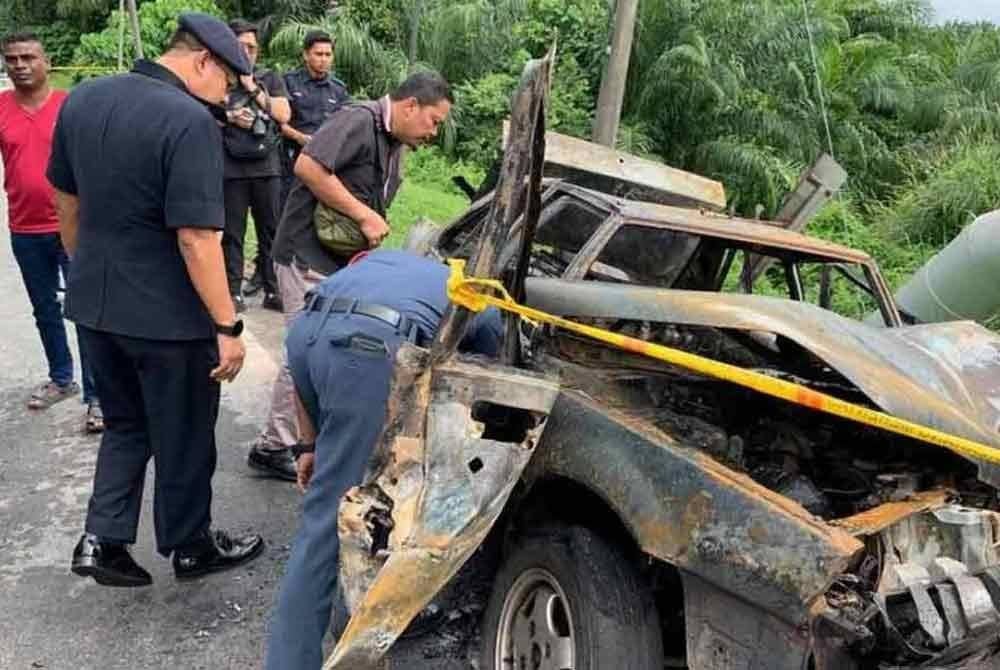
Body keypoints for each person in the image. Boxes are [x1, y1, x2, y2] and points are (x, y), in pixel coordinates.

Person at [47, 13, 264, 587]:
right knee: (186, 431)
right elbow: (197, 236)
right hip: (169, 320)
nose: (228, 97)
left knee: (125, 423)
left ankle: (102, 540)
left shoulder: (83, 99)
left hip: (94, 306)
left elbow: (65, 201)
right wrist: (228, 326)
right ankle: (190, 546)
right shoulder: (189, 120)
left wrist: (88, 269)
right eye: (229, 81)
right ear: (203, 63)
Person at [264, 250, 501, 670]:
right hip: (368, 347)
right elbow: (491, 376)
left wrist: (309, 446)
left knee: (334, 497)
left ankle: (340, 620)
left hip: (309, 334)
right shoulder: (474, 290)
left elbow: (304, 367)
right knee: (328, 521)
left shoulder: (380, 264)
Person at [247, 71, 452, 482]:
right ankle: (275, 445)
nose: (434, 132)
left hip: (336, 262)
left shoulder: (392, 142)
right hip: (307, 255)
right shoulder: (358, 120)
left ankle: (311, 441)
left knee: (321, 346)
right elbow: (308, 166)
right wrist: (364, 215)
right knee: (305, 348)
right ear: (411, 106)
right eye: (434, 121)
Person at [0, 32, 102, 432]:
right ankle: (61, 377)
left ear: (46, 61)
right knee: (44, 309)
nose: (20, 65)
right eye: (12, 59)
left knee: (87, 312)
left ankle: (98, 397)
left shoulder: (70, 105)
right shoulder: (2, 108)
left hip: (74, 226)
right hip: (24, 227)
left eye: (28, 57)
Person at [222, 19, 291, 314]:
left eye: (251, 47)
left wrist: (253, 90)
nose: (246, 52)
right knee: (232, 232)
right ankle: (233, 292)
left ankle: (273, 290)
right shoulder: (219, 76)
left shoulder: (269, 78)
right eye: (240, 47)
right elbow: (199, 111)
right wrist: (229, 115)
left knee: (271, 231)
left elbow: (284, 114)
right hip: (230, 167)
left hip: (266, 166)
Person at [269, 29, 349, 220]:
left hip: (323, 164)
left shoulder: (338, 89)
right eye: (318, 54)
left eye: (328, 55)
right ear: (306, 55)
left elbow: (344, 125)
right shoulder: (288, 82)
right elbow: (277, 122)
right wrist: (300, 138)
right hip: (290, 162)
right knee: (283, 217)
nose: (323, 59)